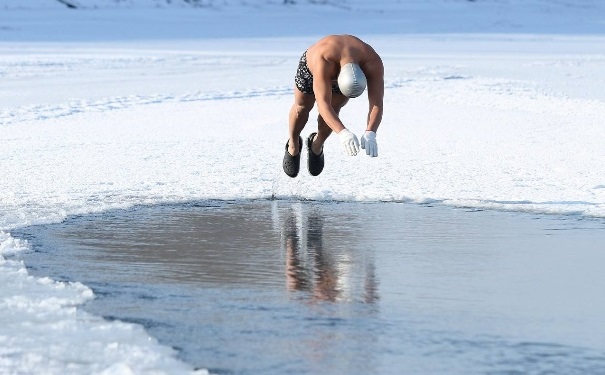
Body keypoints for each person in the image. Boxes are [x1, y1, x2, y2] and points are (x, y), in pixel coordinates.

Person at [283, 34, 384, 178]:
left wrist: (371, 132)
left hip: (340, 70)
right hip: (314, 67)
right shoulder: (324, 60)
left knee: (335, 108)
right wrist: (343, 133)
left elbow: (377, 103)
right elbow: (323, 105)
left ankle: (316, 145)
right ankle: (293, 145)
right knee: (302, 106)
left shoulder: (373, 62)